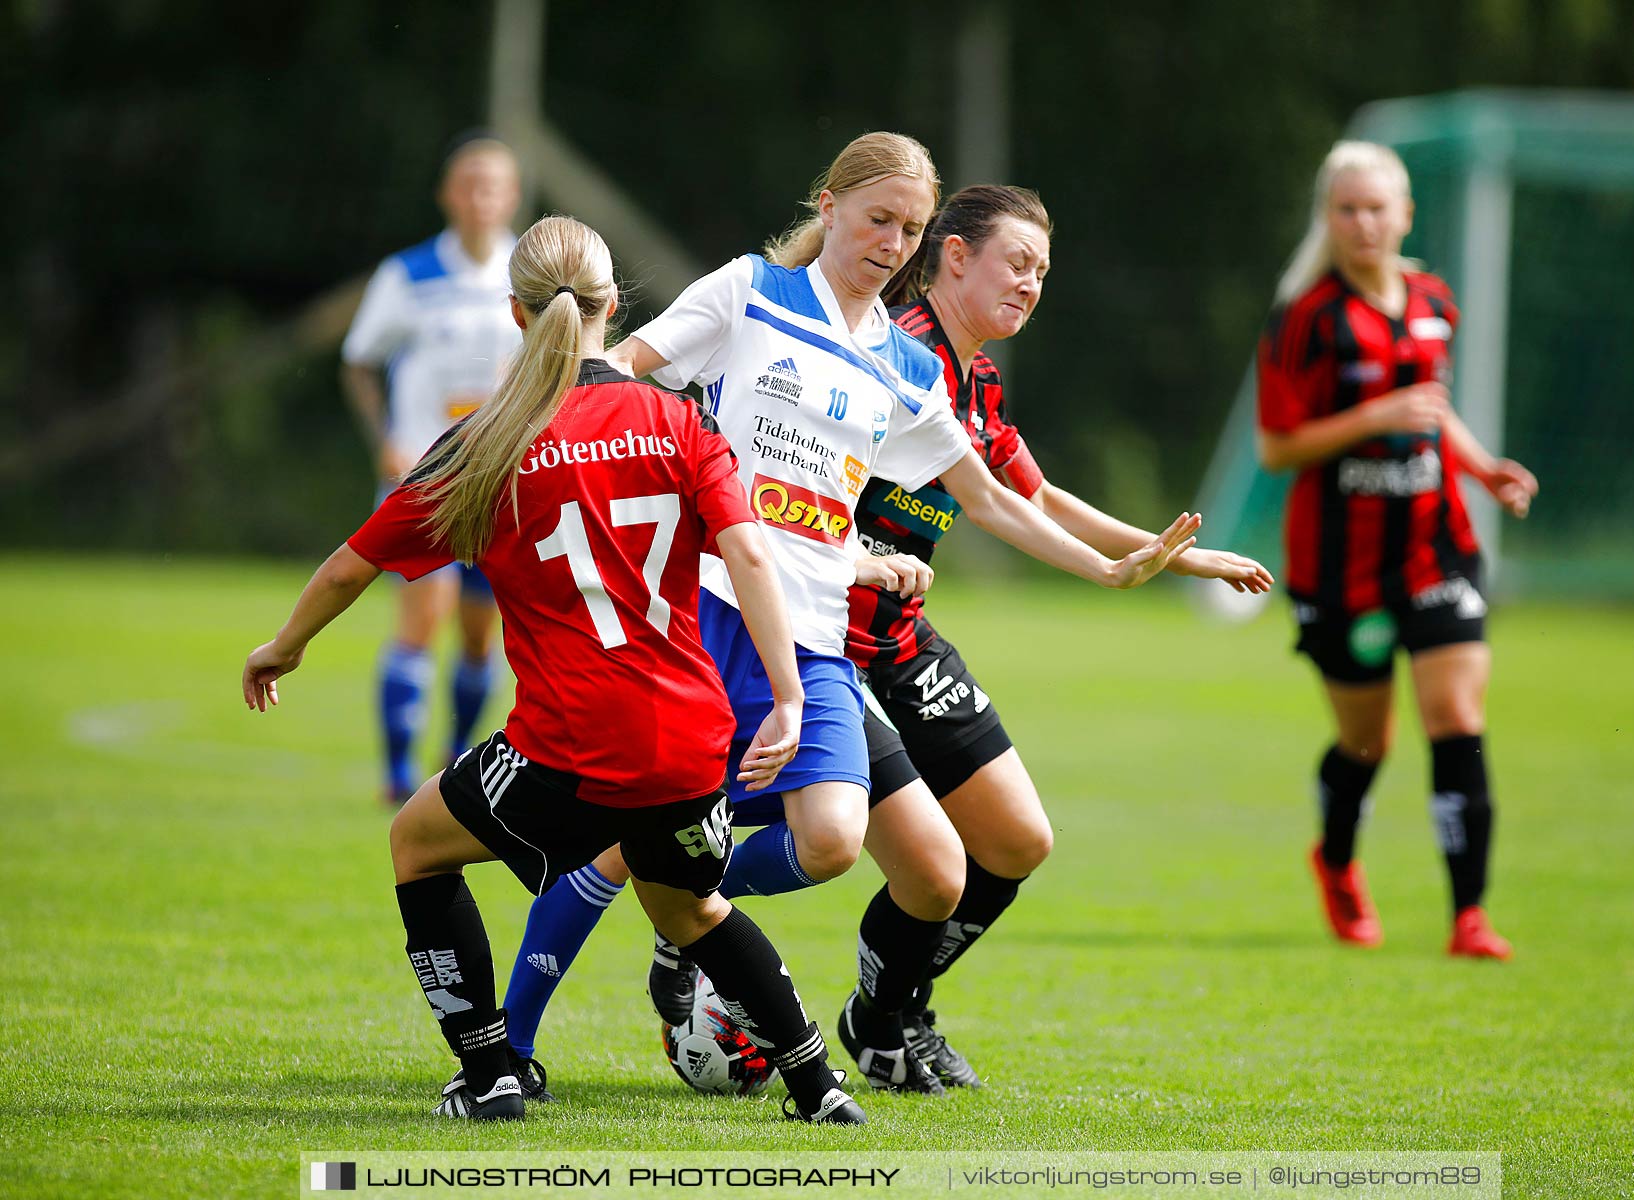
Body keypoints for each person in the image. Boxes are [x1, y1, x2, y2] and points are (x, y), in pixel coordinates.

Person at [497, 134, 1202, 1090]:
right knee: (627, 844)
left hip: (817, 639)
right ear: (828, 206)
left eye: (909, 229)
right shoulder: (749, 291)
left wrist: (1109, 570)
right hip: (706, 616)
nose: (892, 241)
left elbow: (991, 498)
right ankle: (512, 1046)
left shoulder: (905, 365)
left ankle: (682, 909)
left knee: (828, 842)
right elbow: (613, 377)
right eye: (878, 219)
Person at [244, 215, 867, 1125]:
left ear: (514, 311)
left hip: (567, 748)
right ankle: (819, 1089)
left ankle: (491, 1072)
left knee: (416, 847)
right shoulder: (677, 417)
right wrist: (783, 695)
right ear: (614, 306)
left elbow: (351, 565)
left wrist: (285, 644)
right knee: (690, 908)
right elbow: (752, 557)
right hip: (691, 742)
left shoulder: (485, 442)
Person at [830, 183, 1275, 1090]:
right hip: (823, 645)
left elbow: (1034, 495)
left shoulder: (977, 377)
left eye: (1042, 271)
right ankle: (706, 960)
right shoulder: (888, 358)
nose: (1032, 284)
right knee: (907, 860)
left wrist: (1172, 557)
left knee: (1016, 841)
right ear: (954, 255)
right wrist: (1113, 570)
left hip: (901, 641)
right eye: (1017, 263)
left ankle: (885, 1011)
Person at [1254, 141, 1539, 960]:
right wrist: (1372, 421)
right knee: (1367, 743)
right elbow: (1277, 447)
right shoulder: (1304, 317)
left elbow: (1431, 407)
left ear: (1405, 215)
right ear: (1328, 217)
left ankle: (1469, 917)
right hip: (1340, 566)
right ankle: (1336, 859)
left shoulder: (1432, 300)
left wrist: (1484, 470)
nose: (1363, 223)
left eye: (1378, 208)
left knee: (1457, 719)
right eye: (1347, 209)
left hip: (1435, 547)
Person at [340, 134, 522, 803]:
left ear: (512, 196)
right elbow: (359, 360)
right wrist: (386, 437)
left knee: (481, 636)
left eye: (493, 185)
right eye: (468, 184)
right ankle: (394, 774)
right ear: (448, 194)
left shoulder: (527, 275)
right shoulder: (407, 276)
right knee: (422, 618)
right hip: (424, 475)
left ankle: (452, 758)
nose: (480, 198)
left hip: (499, 482)